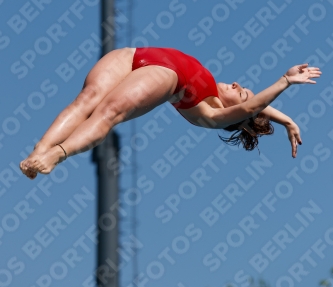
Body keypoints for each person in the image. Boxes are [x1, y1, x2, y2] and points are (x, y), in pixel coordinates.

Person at [19, 47, 321, 180]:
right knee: (86, 100)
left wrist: (285, 80)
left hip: (165, 75)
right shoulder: (222, 99)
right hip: (131, 56)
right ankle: (39, 151)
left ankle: (57, 154)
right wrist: (287, 120)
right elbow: (254, 107)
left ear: (233, 111)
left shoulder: (211, 113)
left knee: (107, 113)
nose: (239, 84)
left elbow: (250, 108)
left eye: (241, 91)